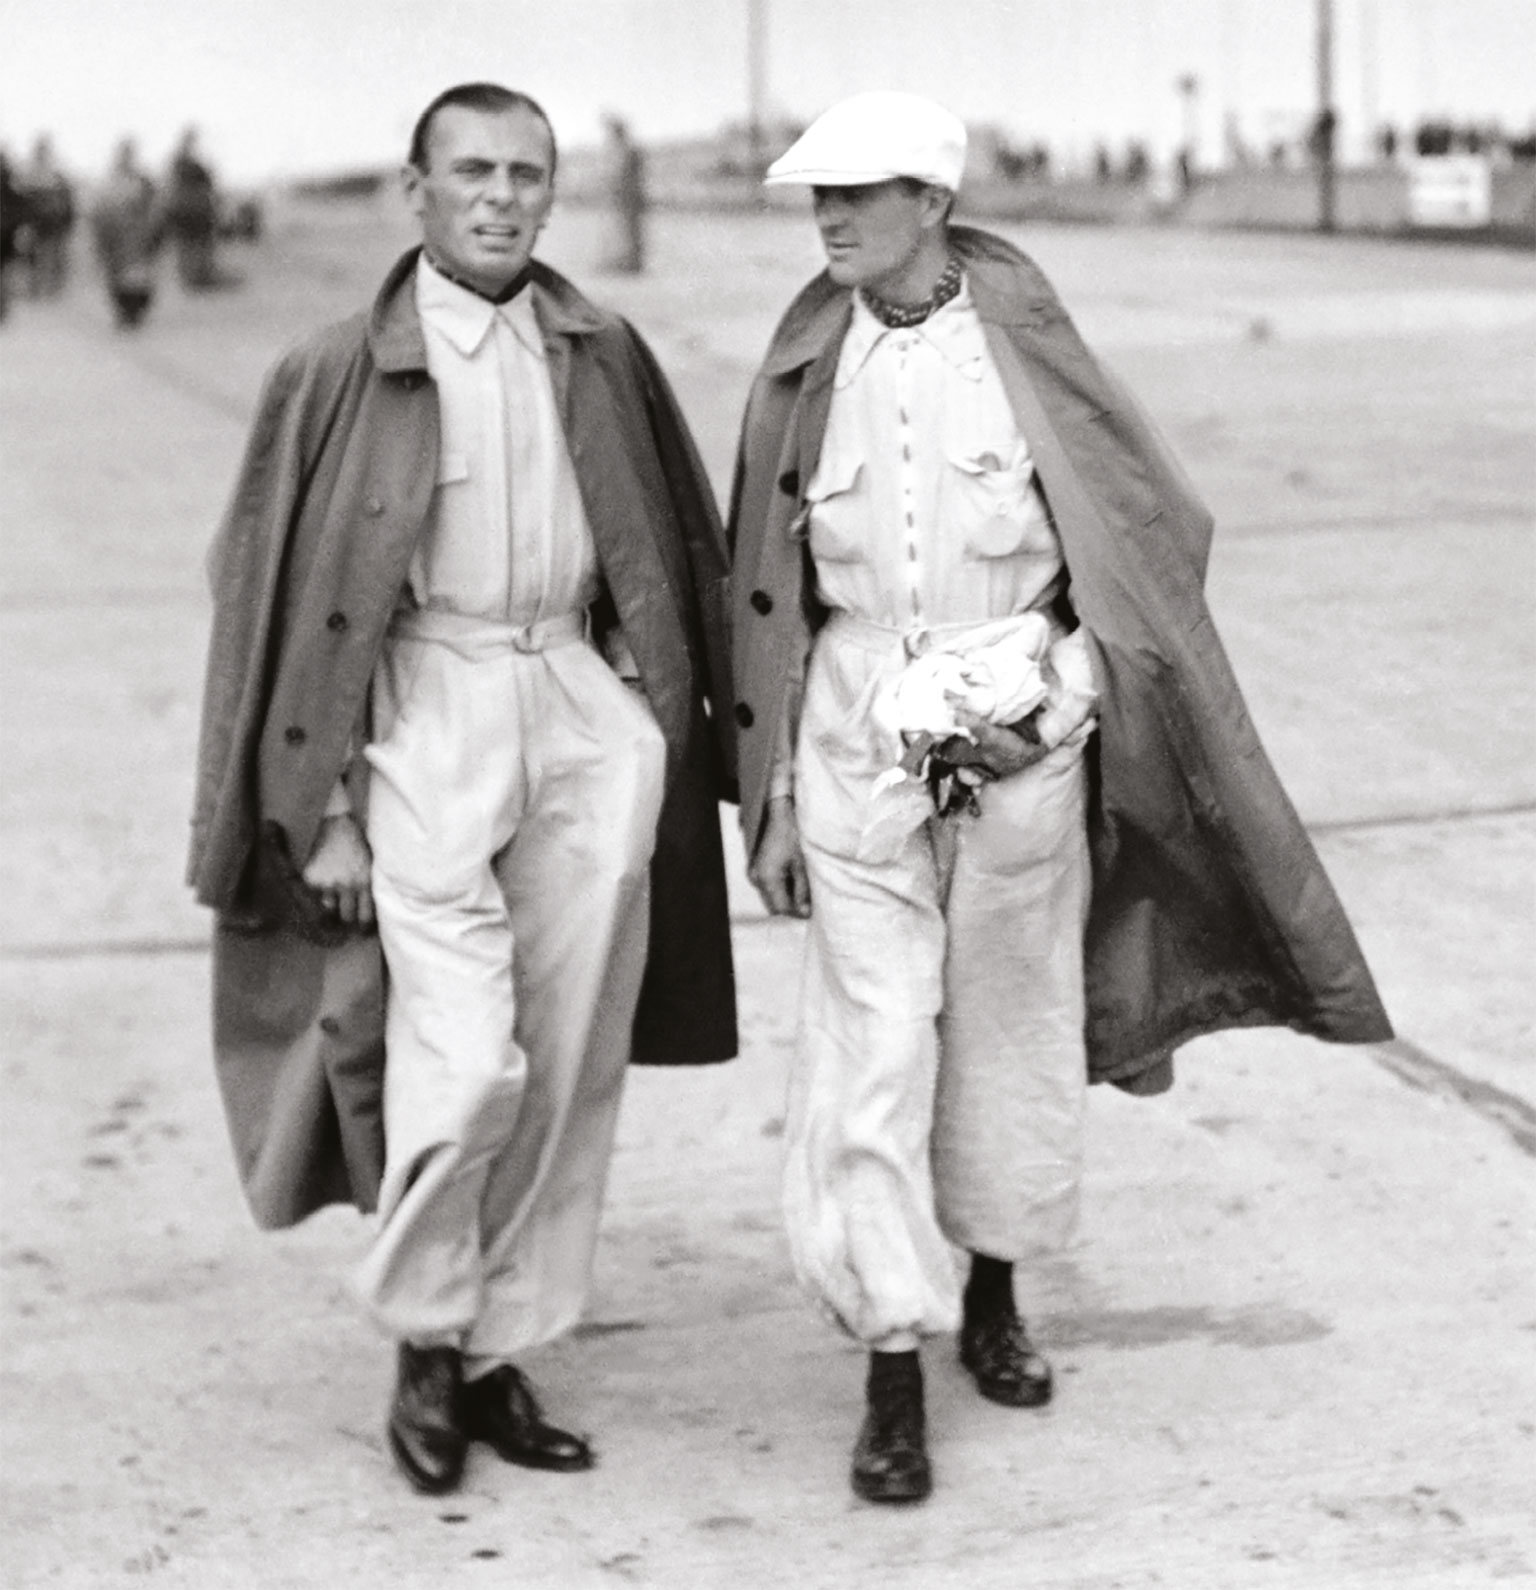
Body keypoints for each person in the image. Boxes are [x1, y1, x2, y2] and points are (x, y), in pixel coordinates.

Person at [727, 91, 1391, 1506]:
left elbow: (1149, 545)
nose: (830, 217)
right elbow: (764, 592)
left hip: (1014, 722)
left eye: (860, 191)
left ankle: (993, 1291)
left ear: (934, 202)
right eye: (817, 196)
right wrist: (773, 787)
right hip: (854, 729)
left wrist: (1062, 699)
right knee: (870, 1041)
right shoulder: (803, 360)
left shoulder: (1028, 347)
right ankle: (893, 1357)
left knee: (1012, 1029)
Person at [188, 82, 737, 1496]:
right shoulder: (332, 367)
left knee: (564, 1058)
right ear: (414, 191)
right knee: (461, 1056)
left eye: (527, 174)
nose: (501, 196)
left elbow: (666, 536)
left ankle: (499, 1352)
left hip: (573, 697)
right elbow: (267, 596)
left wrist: (643, 704)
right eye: (473, 171)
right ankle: (428, 1337)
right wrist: (322, 811)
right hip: (420, 707)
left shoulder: (602, 351)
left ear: (555, 195)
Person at [90, 139, 161, 328]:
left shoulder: (141, 180)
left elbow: (153, 210)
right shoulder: (112, 181)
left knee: (137, 279)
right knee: (119, 278)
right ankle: (125, 314)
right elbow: (101, 213)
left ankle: (133, 314)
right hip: (117, 240)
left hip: (135, 239)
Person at [20, 134, 76, 298]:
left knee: (51, 257)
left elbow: (66, 204)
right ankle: (37, 287)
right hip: (35, 224)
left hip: (52, 224)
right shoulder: (29, 173)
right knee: (34, 257)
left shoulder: (56, 174)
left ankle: (51, 288)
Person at [163, 127, 219, 288]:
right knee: (188, 245)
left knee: (195, 245)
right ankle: (193, 278)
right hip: (188, 210)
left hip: (194, 211)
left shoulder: (187, 163)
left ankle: (199, 276)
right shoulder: (182, 163)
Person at [600, 115, 647, 274]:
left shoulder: (628, 150)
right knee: (625, 229)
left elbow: (622, 174)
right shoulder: (625, 149)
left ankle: (630, 263)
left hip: (628, 197)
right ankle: (626, 261)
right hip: (624, 197)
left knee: (629, 230)